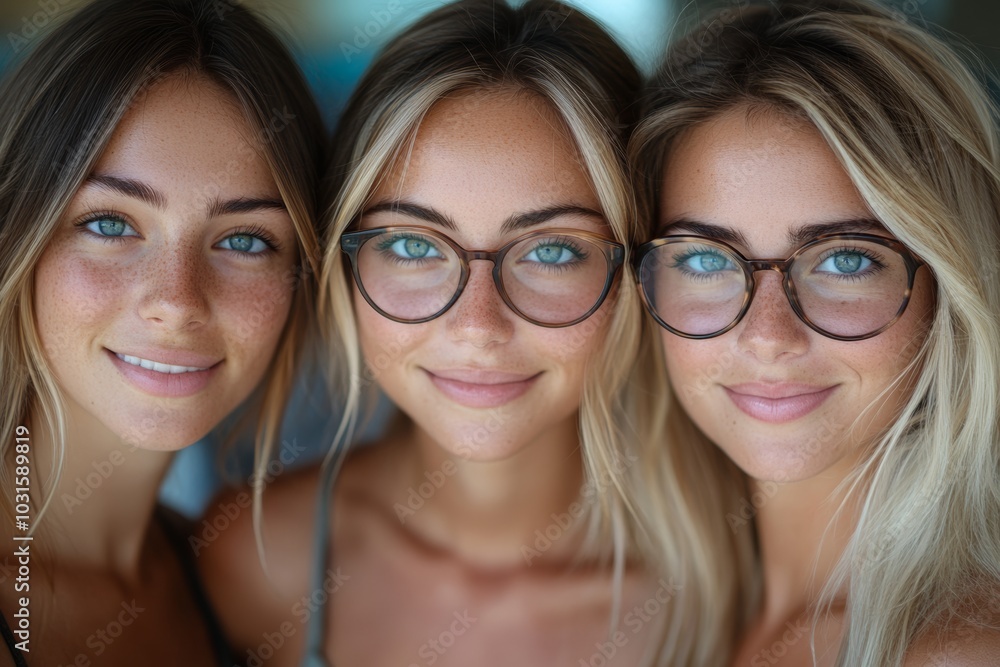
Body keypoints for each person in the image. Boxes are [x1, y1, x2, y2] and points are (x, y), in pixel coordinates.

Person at [198, 1, 719, 664]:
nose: (478, 327)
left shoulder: (729, 596)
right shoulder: (256, 560)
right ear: (342, 265)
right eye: (414, 247)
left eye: (552, 251)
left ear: (637, 271)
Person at [630, 0, 1000, 664]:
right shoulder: (658, 616)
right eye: (707, 259)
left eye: (846, 260)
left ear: (947, 288)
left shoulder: (960, 649)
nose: (769, 335)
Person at [0, 0, 325, 664]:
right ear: (16, 241)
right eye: (111, 224)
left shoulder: (233, 587)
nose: (177, 301)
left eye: (243, 239)